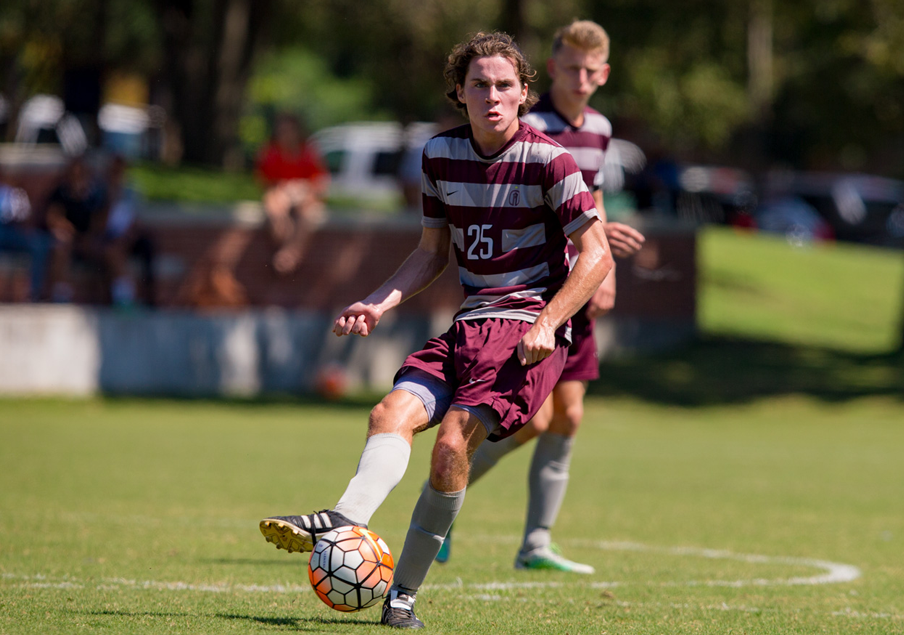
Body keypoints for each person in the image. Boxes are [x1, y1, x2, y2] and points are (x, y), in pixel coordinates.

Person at [258, 32, 613, 629]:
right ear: (459, 92)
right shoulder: (438, 156)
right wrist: (376, 303)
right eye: (480, 85)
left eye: (505, 85)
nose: (492, 96)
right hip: (469, 323)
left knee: (451, 445)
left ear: (525, 93)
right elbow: (430, 253)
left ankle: (401, 597)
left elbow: (597, 254)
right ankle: (346, 518)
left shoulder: (552, 160)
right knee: (388, 414)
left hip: (526, 329)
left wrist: (551, 322)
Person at [431, 19, 645, 575]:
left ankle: (536, 542)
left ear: (603, 74)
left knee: (567, 418)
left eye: (589, 70)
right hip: (532, 294)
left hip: (578, 288)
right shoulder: (529, 123)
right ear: (549, 71)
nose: (579, 78)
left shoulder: (599, 126)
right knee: (532, 419)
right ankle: (444, 494)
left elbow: (588, 198)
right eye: (570, 68)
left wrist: (607, 268)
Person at [254, 113, 329, 274]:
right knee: (275, 208)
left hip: (304, 194)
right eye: (282, 131)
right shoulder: (271, 151)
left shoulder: (308, 151)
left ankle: (288, 255)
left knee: (309, 215)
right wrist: (284, 189)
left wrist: (303, 190)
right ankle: (289, 253)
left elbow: (320, 182)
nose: (286, 135)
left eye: (289, 130)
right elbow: (265, 181)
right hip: (281, 193)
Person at [0, 163, 51, 301]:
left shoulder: (7, 192)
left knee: (41, 244)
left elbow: (22, 217)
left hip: (8, 235)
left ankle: (37, 291)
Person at [44, 158, 108, 303]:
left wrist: (88, 236)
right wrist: (69, 230)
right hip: (69, 238)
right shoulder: (60, 192)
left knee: (107, 251)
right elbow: (53, 217)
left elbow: (100, 219)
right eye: (74, 172)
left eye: (80, 172)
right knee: (61, 246)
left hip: (89, 239)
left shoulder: (95, 194)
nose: (77, 175)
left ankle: (111, 297)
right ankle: (61, 294)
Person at [102, 156, 158, 308]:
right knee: (112, 251)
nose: (117, 174)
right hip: (107, 239)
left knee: (145, 246)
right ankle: (124, 299)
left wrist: (128, 237)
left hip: (128, 238)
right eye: (114, 170)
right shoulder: (101, 191)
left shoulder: (132, 192)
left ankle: (142, 297)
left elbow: (137, 221)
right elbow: (98, 223)